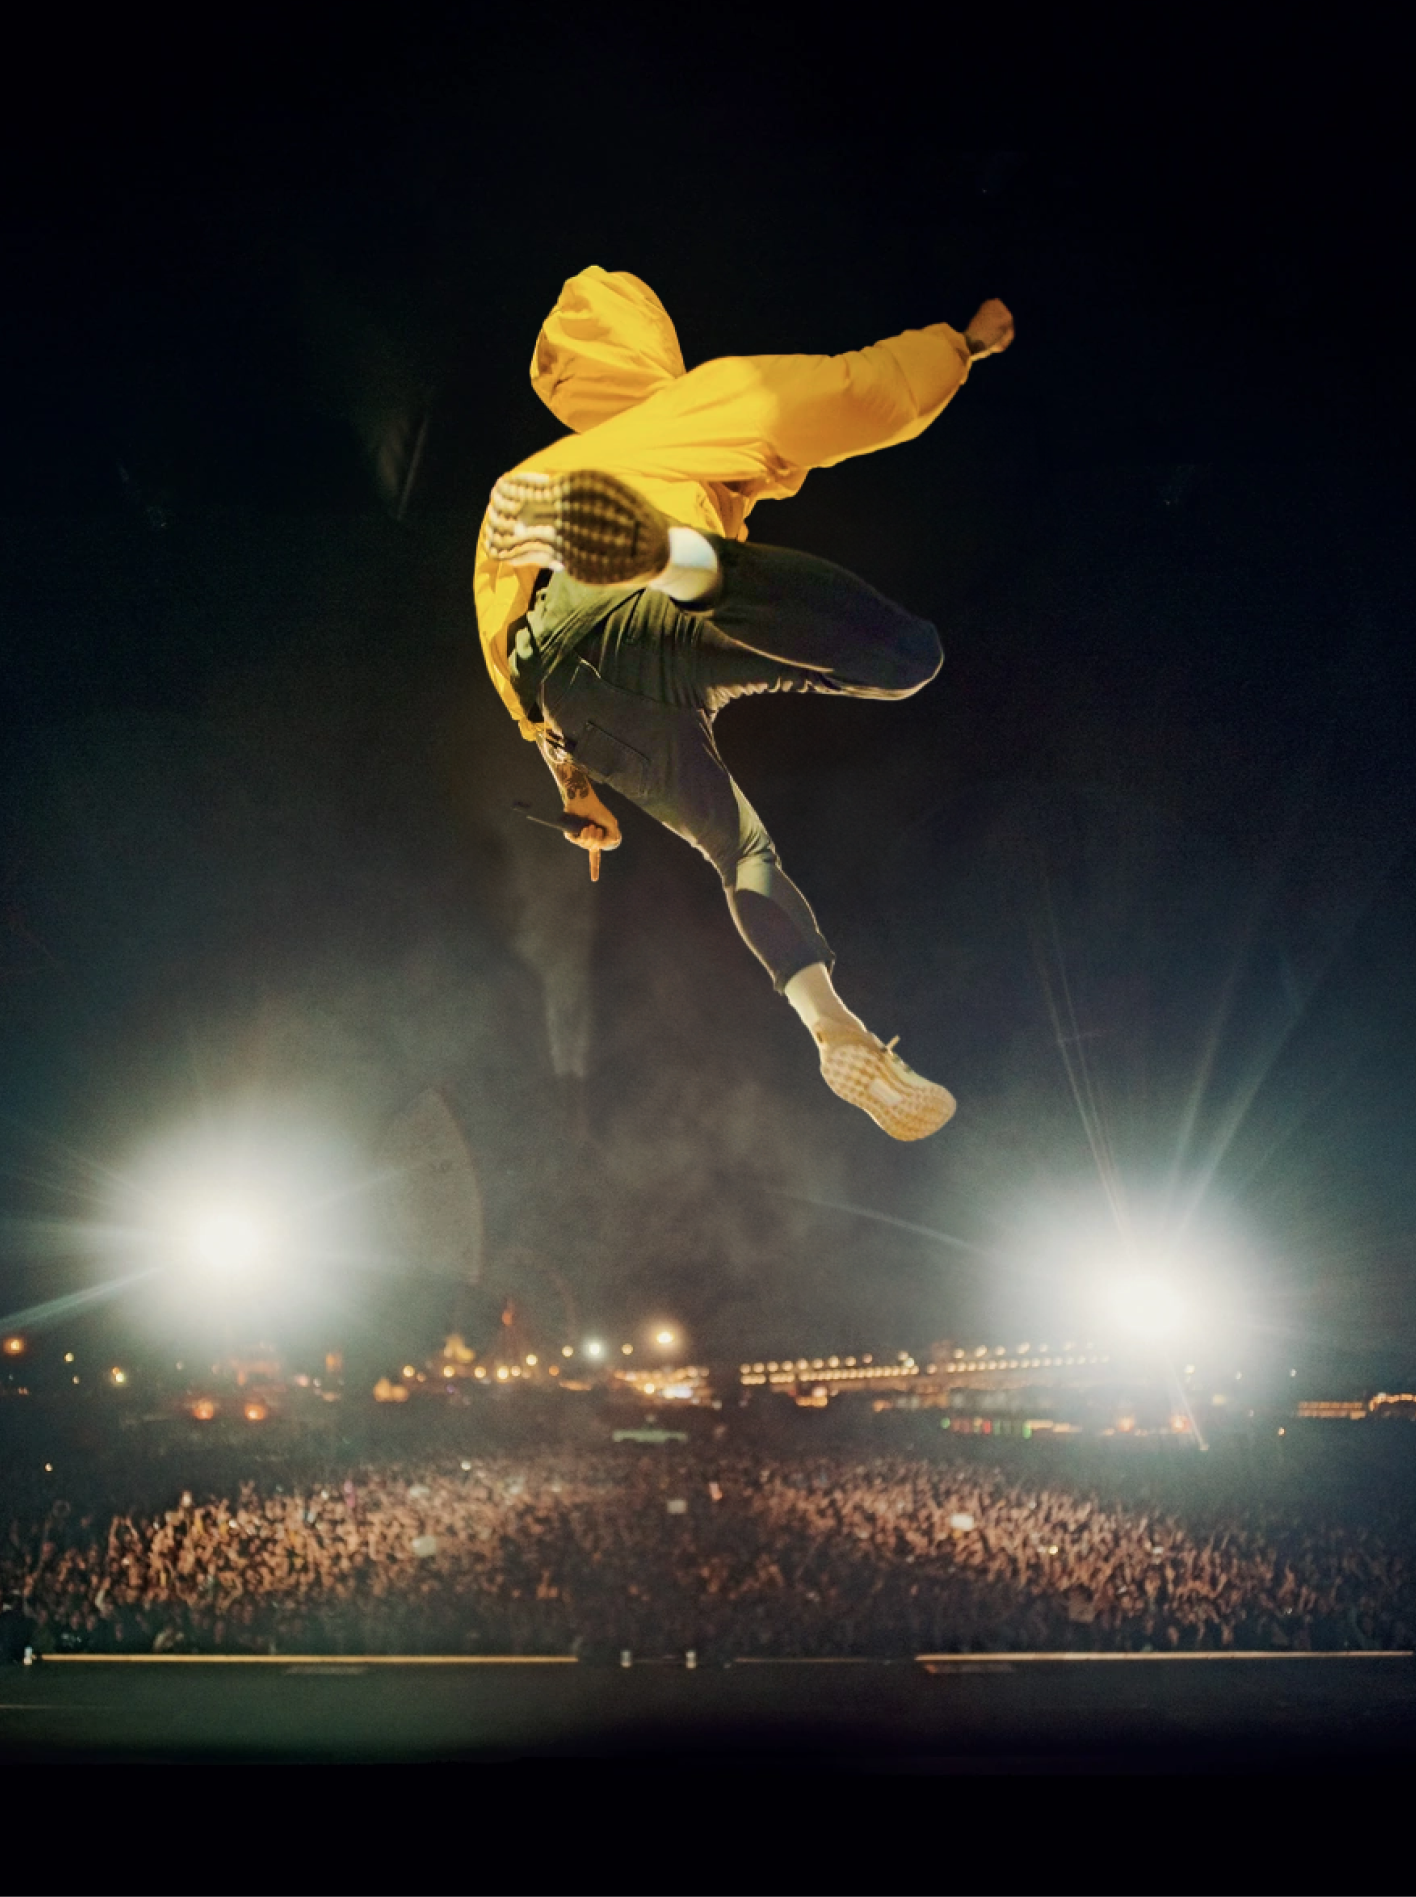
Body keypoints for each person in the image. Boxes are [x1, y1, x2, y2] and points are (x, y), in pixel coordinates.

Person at [475, 268, 1014, 1139]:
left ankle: (833, 1023)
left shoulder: (538, 470)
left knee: (741, 849)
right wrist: (958, 349)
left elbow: (502, 628)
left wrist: (569, 778)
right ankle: (682, 563)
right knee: (906, 657)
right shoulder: (688, 407)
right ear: (651, 350)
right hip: (649, 613)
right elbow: (853, 392)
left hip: (570, 681)